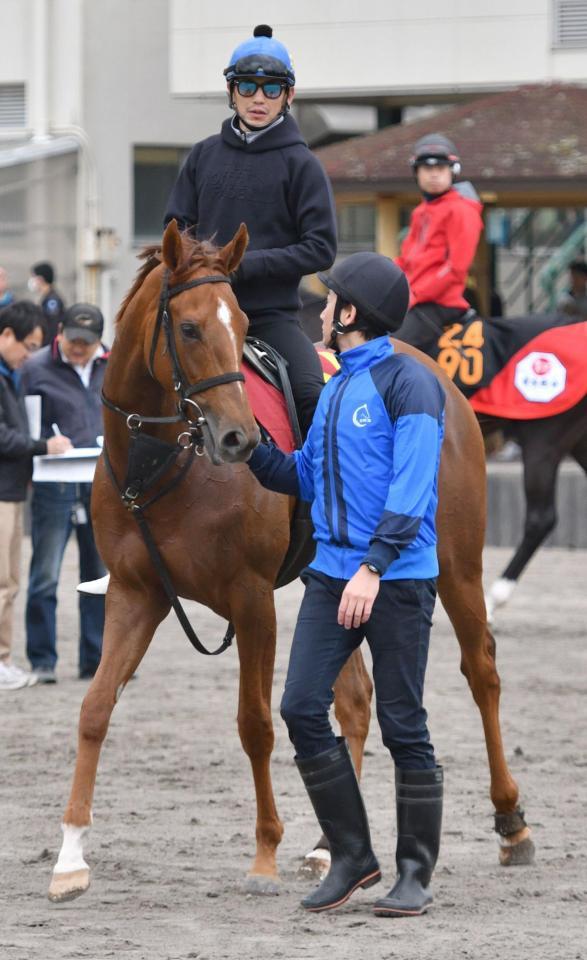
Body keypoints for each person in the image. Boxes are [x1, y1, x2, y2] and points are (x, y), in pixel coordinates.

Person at [245, 252, 445, 917]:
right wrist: (247, 449)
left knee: (401, 724)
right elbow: (305, 476)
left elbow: (411, 490)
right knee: (301, 707)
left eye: (327, 302)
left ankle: (413, 873)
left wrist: (374, 566)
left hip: (396, 579)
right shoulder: (334, 387)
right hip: (332, 577)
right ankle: (354, 856)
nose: (319, 311)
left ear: (351, 314)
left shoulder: (410, 385)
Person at [164, 23, 337, 437]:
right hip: (199, 315)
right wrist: (208, 272)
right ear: (232, 92)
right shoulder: (202, 155)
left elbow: (321, 248)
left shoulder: (303, 165)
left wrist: (242, 266)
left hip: (269, 317)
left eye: (272, 89)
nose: (259, 98)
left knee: (313, 396)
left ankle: (322, 499)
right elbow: (176, 227)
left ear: (288, 96)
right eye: (247, 86)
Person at [21, 304, 108, 683]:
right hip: (52, 481)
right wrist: (42, 443)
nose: (78, 348)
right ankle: (42, 660)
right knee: (45, 572)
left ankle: (96, 658)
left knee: (98, 572)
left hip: (100, 482)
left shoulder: (110, 366)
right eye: (73, 340)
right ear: (60, 332)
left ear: (98, 343)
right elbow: (21, 424)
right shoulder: (35, 369)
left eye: (86, 343)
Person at [0, 301, 71, 691]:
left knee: (9, 580)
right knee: (2, 581)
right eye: (27, 346)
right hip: (3, 491)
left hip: (10, 490)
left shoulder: (10, 374)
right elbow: (3, 436)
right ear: (6, 335)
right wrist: (41, 445)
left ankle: (5, 657)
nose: (29, 356)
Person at [394, 134, 484, 355]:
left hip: (439, 304)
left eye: (441, 168)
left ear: (452, 171)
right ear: (417, 173)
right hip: (414, 300)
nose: (434, 174)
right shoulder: (420, 211)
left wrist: (415, 294)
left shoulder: (461, 211)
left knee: (391, 350)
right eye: (426, 168)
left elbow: (456, 269)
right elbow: (405, 261)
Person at [28, 261, 66, 344]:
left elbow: (52, 326)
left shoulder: (52, 300)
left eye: (34, 277)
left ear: (41, 279)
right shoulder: (46, 297)